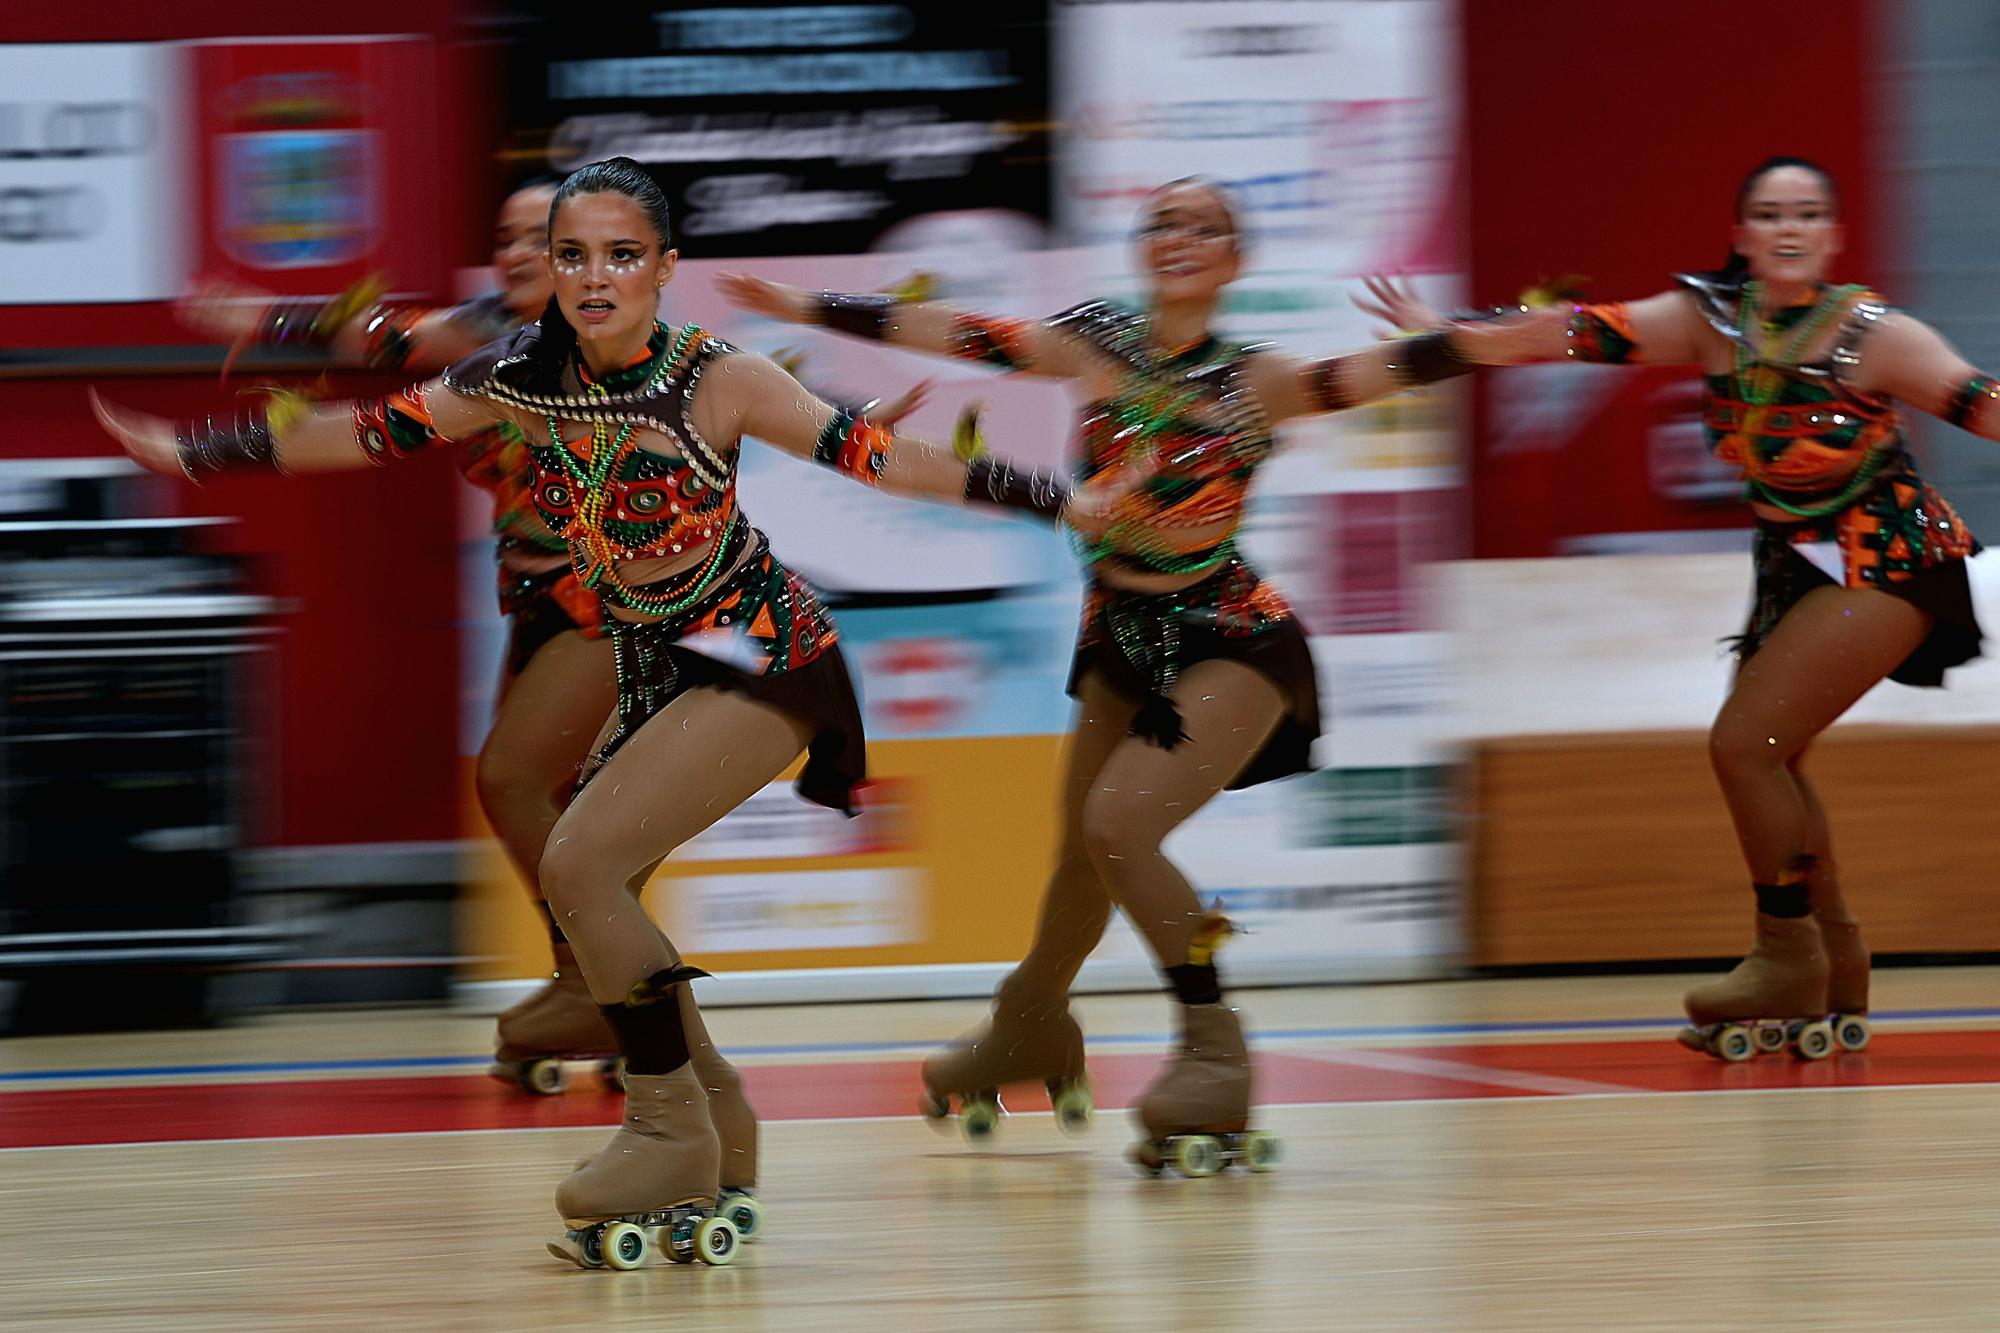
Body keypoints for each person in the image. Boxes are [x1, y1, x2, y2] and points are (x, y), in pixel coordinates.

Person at [721, 177, 1477, 1173]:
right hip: (1121, 635)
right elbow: (959, 334)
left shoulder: (1262, 382)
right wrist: (803, 307)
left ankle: (1214, 1046)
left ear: (1235, 259)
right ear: (1139, 246)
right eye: (1161, 221)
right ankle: (1027, 1026)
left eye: (1204, 226)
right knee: (1080, 860)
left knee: (1118, 826)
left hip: (1232, 638)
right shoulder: (1093, 345)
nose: (1178, 237)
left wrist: (1440, 339)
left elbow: (1381, 374)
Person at [1363, 155, 1997, 1060]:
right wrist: (1451, 334)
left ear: (1833, 236)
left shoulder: (1875, 337)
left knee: (1745, 745)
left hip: (1893, 558)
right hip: (1796, 567)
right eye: (1769, 213)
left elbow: (1979, 405)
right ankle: (1833, 956)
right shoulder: (1711, 321)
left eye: (1808, 213)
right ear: (1741, 235)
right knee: (1778, 756)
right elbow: (1572, 332)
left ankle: (1786, 952)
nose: (1788, 227)